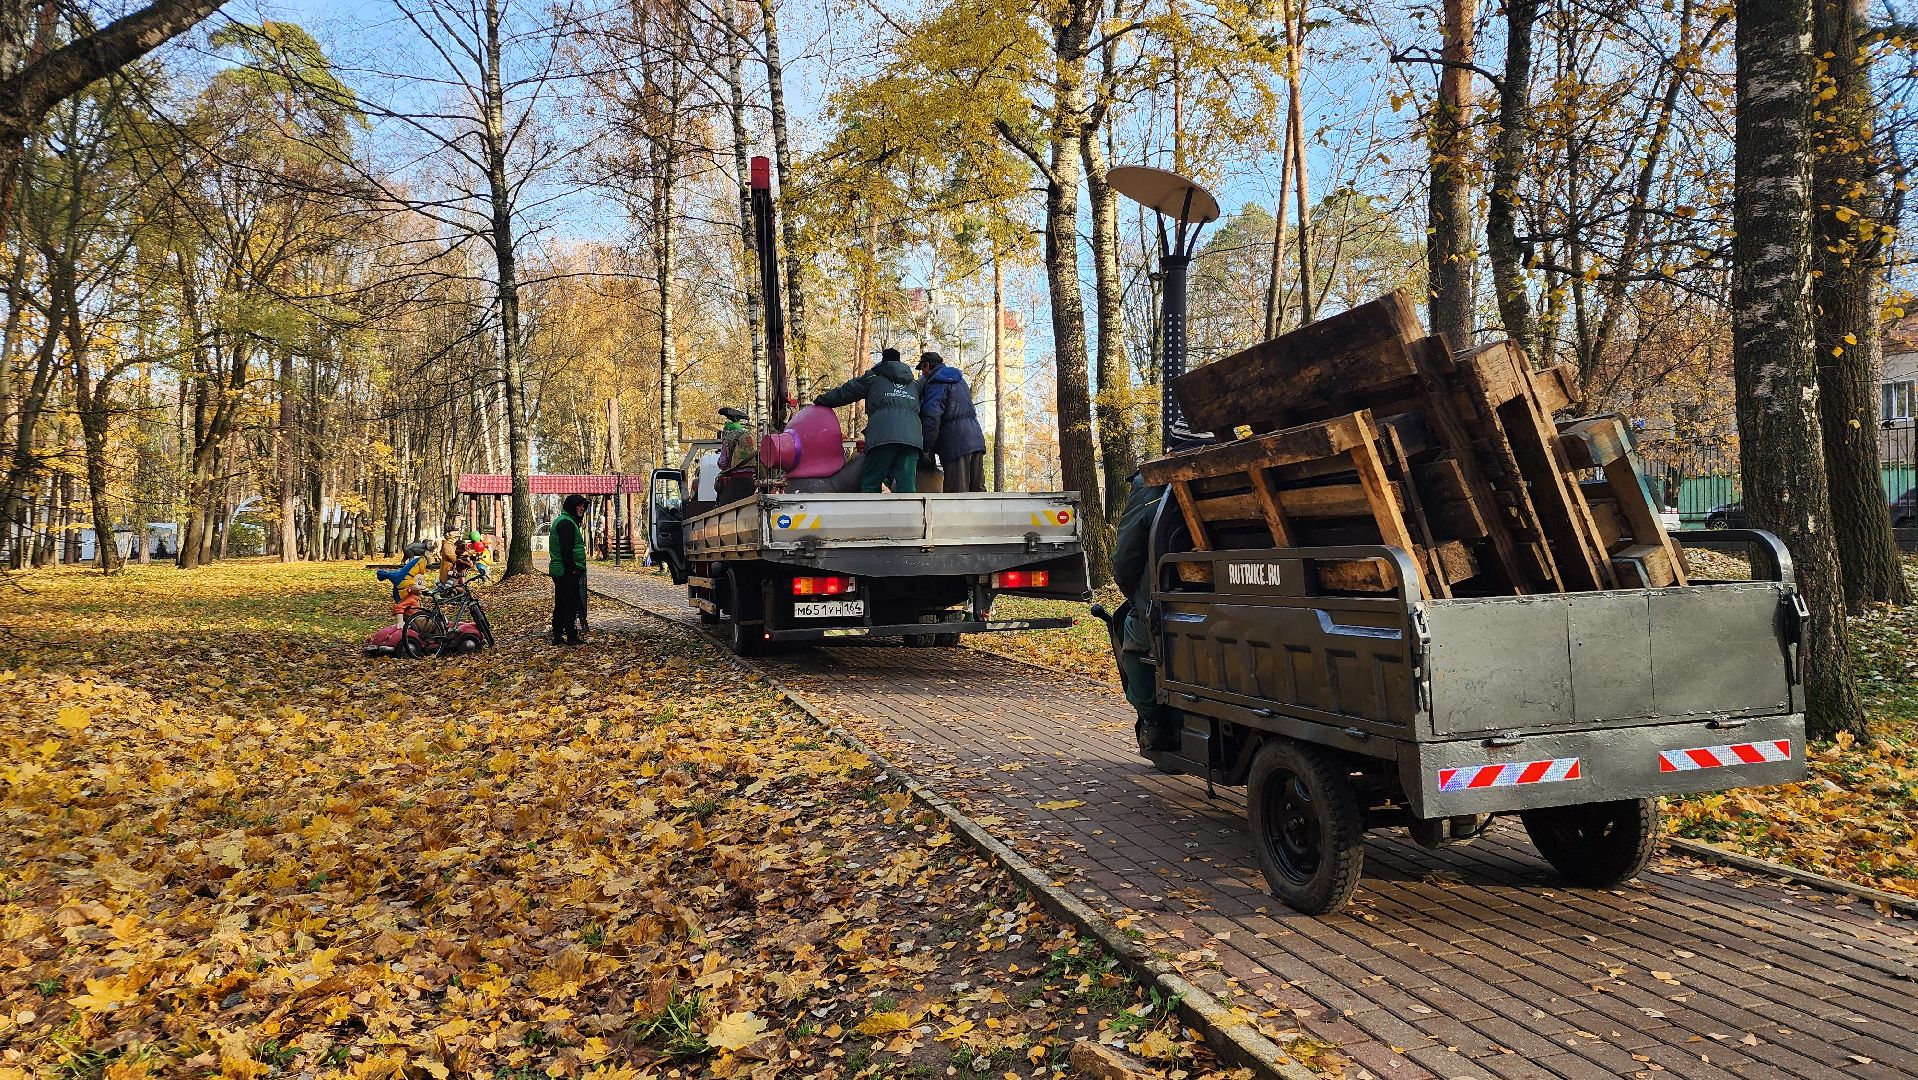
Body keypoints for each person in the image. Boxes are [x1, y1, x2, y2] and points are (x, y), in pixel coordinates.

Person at [814, 347, 921, 493]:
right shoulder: (914, 384)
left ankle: (871, 515)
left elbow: (847, 392)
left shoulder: (874, 378)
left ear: (883, 361)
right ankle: (909, 515)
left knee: (871, 482)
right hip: (912, 438)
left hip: (883, 436)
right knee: (907, 487)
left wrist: (822, 401)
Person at [916, 351, 988, 492]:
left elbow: (932, 417)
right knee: (978, 493)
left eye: (922, 370)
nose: (922, 374)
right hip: (976, 440)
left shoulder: (936, 383)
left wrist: (926, 447)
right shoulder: (960, 381)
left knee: (956, 496)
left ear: (927, 366)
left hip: (956, 444)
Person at [549, 494, 589, 645]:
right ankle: (571, 636)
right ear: (572, 506)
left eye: (583, 506)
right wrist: (572, 569)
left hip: (561, 570)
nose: (582, 508)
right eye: (579, 506)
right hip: (566, 571)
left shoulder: (566, 521)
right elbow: (566, 549)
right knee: (570, 604)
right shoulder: (566, 523)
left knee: (561, 603)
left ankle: (558, 636)